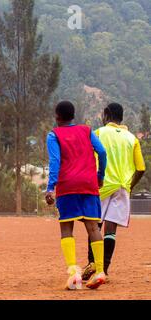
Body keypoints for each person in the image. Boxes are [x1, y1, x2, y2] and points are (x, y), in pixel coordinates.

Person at [45, 101, 107, 290]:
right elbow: (102, 152)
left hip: (67, 186)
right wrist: (100, 175)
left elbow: (55, 162)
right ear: (73, 115)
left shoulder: (53, 134)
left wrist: (50, 187)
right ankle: (100, 271)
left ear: (57, 116)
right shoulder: (87, 131)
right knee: (93, 228)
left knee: (66, 228)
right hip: (89, 184)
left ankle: (74, 274)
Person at [82, 103, 146, 280]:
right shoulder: (132, 138)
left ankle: (92, 263)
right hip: (122, 187)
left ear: (107, 115)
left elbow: (87, 157)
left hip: (101, 186)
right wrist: (130, 185)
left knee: (94, 226)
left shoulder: (99, 133)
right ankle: (105, 270)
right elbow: (141, 168)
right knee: (111, 230)